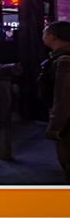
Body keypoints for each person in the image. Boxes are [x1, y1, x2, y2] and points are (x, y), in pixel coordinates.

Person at [41, 21, 70, 183]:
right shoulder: (59, 58)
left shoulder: (64, 60)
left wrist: (55, 127)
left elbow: (63, 97)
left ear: (52, 37)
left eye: (44, 33)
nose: (43, 36)